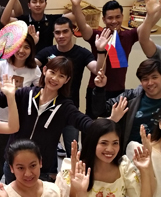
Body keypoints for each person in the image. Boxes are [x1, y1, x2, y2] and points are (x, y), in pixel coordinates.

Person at [0, 56, 125, 182]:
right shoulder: (26, 93)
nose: (55, 78)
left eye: (61, 76)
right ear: (44, 70)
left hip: (40, 167)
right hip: (14, 161)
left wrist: (111, 120)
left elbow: (86, 124)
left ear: (67, 80)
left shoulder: (65, 106)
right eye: (52, 72)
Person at [36, 18, 107, 156]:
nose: (61, 36)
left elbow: (98, 70)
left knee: (73, 149)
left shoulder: (82, 52)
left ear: (72, 32)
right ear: (53, 34)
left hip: (70, 108)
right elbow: (29, 65)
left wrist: (100, 50)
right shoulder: (47, 52)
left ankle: (74, 169)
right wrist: (30, 44)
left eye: (65, 31)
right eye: (57, 32)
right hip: (48, 109)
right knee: (46, 148)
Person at [0, 34, 41, 181]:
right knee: (4, 158)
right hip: (1, 120)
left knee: (18, 158)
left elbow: (41, 93)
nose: (22, 50)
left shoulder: (34, 69)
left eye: (27, 47)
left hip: (22, 122)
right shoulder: (1, 65)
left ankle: (14, 187)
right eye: (19, 46)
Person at [0, 0, 90, 51]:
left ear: (45, 4)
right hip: (25, 60)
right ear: (29, 5)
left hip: (46, 60)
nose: (38, 4)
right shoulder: (23, 21)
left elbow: (74, 15)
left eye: (41, 1)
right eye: (34, 2)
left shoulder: (53, 20)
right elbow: (4, 21)